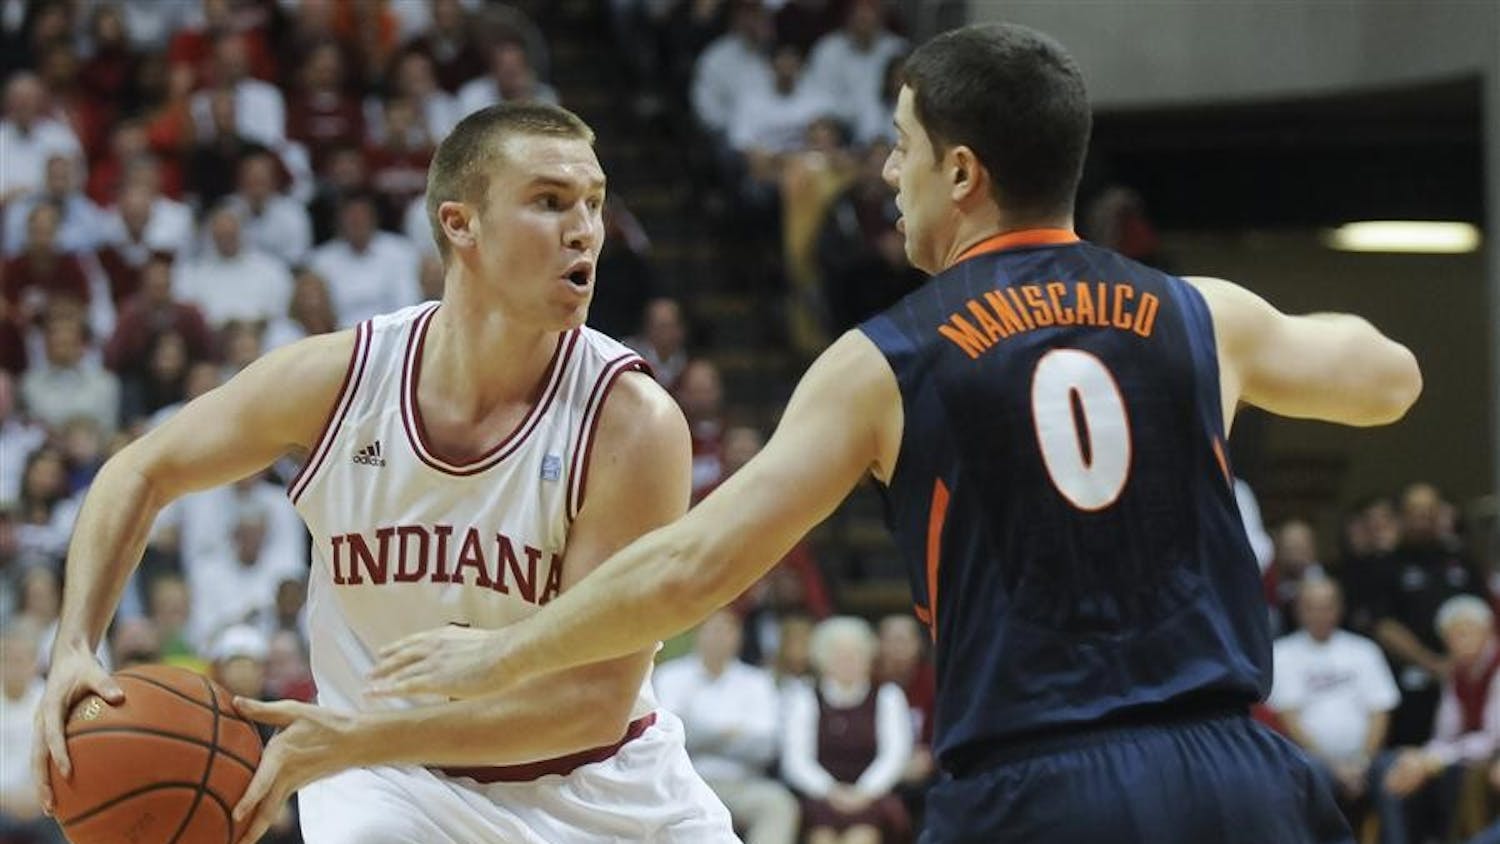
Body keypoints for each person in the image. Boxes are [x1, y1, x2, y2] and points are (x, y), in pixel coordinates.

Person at [367, 24, 1423, 843]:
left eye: (901, 148)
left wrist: (502, 650)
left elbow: (692, 566)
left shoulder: (889, 359)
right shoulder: (1203, 317)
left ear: (961, 174)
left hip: (1039, 791)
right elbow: (1391, 381)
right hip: (1236, 781)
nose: (884, 174)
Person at [32, 102, 734, 844]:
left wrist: (355, 739)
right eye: (550, 201)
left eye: (593, 202)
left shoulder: (630, 422)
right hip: (392, 784)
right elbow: (139, 472)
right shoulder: (341, 382)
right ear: (461, 224)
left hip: (602, 786)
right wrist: (73, 647)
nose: (584, 228)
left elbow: (590, 702)